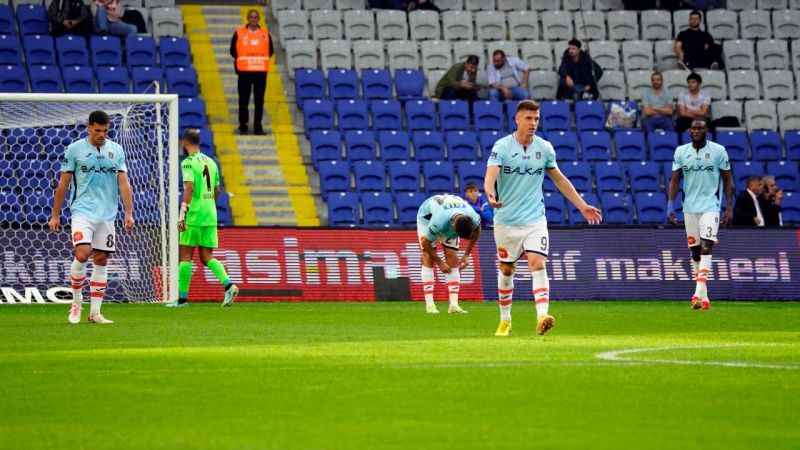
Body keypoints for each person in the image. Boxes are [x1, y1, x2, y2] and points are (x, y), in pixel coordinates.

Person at [484, 100, 603, 337]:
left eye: (536, 119)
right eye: (528, 118)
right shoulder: (502, 146)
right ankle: (505, 320)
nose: (533, 123)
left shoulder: (545, 148)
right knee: (507, 269)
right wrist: (489, 192)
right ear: (517, 119)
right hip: (506, 220)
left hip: (534, 219)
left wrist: (581, 206)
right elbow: (491, 174)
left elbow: (559, 179)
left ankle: (542, 316)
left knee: (537, 262)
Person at [49, 111, 134, 325]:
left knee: (102, 259)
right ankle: (76, 302)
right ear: (89, 127)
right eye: (97, 130)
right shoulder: (75, 149)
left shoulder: (116, 150)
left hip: (107, 214)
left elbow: (124, 183)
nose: (102, 134)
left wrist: (129, 212)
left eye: (105, 131)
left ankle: (95, 313)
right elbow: (63, 184)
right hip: (82, 212)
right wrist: (55, 214)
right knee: (83, 252)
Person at [165, 129, 239, 308]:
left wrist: (182, 214)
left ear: (185, 143)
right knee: (206, 257)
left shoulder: (188, 163)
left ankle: (182, 300)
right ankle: (229, 285)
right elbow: (217, 190)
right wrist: (209, 205)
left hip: (195, 214)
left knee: (185, 256)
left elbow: (189, 188)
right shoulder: (211, 162)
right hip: (210, 214)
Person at [668, 119, 734, 311]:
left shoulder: (719, 151)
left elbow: (728, 179)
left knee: (707, 246)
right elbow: (674, 180)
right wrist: (670, 205)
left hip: (711, 206)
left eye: (700, 128)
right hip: (689, 207)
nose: (696, 131)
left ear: (707, 131)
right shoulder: (681, 151)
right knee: (695, 252)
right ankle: (704, 298)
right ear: (689, 131)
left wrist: (729, 207)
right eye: (693, 128)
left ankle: (697, 292)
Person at [416, 194, 481, 315]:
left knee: (452, 256)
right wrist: (440, 263)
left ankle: (454, 305)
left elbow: (478, 230)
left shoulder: (472, 216)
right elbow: (426, 243)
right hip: (427, 217)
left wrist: (466, 254)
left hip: (449, 213)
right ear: (453, 227)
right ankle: (430, 305)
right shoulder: (438, 221)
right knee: (428, 256)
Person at [230, 9, 274, 135]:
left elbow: (270, 51)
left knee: (259, 101)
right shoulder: (239, 33)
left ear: (258, 19)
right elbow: (233, 51)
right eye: (251, 17)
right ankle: (243, 126)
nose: (253, 19)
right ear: (247, 19)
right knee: (243, 100)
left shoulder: (265, 34)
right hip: (244, 72)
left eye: (255, 17)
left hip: (260, 72)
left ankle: (257, 127)